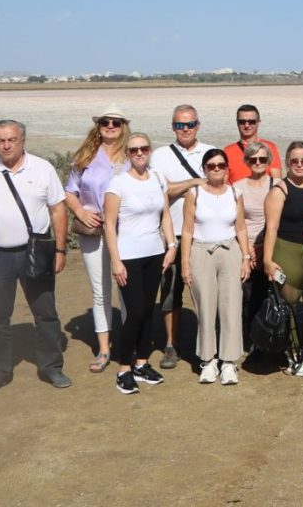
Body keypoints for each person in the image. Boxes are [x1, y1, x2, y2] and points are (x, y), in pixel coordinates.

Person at [0, 120, 72, 396]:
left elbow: (58, 210)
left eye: (11, 139)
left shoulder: (42, 169)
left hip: (34, 253)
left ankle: (51, 367)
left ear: (23, 140)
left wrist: (60, 250)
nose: (6, 145)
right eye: (0, 140)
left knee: (45, 312)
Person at [102, 133, 178, 394]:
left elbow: (165, 215)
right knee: (134, 312)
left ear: (150, 150)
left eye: (144, 148)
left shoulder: (158, 178)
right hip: (129, 256)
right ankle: (124, 368)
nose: (139, 153)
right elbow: (109, 226)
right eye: (133, 150)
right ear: (127, 153)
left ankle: (142, 363)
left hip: (155, 253)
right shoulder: (118, 183)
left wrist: (171, 246)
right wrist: (115, 261)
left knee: (147, 310)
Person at [64, 105, 130, 373]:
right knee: (100, 290)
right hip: (94, 231)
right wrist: (80, 211)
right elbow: (70, 191)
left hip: (126, 232)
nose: (110, 126)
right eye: (105, 121)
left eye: (115, 122)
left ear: (123, 126)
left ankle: (128, 345)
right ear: (99, 125)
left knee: (127, 288)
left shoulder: (132, 155)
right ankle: (104, 349)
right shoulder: (86, 155)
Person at [149, 104, 214, 370]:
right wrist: (194, 182)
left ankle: (208, 344)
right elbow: (157, 191)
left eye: (189, 124)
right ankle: (171, 344)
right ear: (172, 127)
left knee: (205, 292)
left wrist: (179, 186)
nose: (184, 129)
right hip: (171, 234)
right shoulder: (160, 155)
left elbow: (219, 185)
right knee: (171, 291)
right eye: (179, 125)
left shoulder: (209, 152)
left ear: (198, 125)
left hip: (202, 234)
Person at [181, 149, 250, 386]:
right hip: (201, 252)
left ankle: (229, 362)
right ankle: (208, 361)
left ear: (227, 167)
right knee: (205, 307)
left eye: (221, 165)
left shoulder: (235, 192)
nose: (217, 169)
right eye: (211, 165)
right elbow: (188, 230)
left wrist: (246, 257)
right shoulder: (194, 193)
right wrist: (185, 264)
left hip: (230, 251)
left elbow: (241, 227)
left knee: (231, 306)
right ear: (204, 169)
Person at [262, 142, 303, 377]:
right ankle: (292, 355)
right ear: (287, 163)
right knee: (288, 304)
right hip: (286, 250)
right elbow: (271, 229)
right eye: (294, 161)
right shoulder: (279, 191)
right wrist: (268, 260)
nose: (299, 165)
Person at [233, 142, 275, 362]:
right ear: (247, 162)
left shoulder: (277, 184)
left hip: (270, 248)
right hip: (245, 247)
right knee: (247, 296)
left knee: (270, 294)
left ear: (269, 161)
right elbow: (237, 221)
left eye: (263, 159)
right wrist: (248, 250)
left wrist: (263, 248)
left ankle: (268, 337)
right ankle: (249, 338)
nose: (258, 163)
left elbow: (277, 221)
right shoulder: (238, 187)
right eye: (253, 160)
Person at [223, 104, 282, 183]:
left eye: (251, 122)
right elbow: (223, 184)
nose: (247, 125)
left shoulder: (269, 147)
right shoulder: (228, 151)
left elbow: (277, 181)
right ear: (237, 123)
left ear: (258, 122)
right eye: (242, 122)